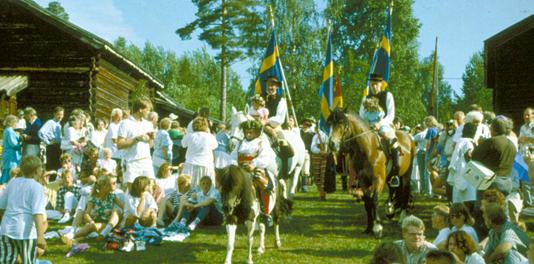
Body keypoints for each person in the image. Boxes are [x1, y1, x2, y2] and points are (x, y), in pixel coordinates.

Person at [0, 156, 47, 264]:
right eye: (41, 168)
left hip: (6, 229)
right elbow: (37, 213)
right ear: (36, 170)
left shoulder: (12, 183)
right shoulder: (37, 187)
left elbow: (1, 206)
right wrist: (40, 236)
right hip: (25, 233)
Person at [231, 119, 278, 225]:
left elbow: (265, 157)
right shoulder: (239, 143)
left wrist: (254, 164)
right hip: (240, 169)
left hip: (256, 168)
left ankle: (266, 213)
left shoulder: (261, 143)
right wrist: (234, 164)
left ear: (256, 132)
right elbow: (233, 156)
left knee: (263, 184)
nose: (248, 133)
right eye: (246, 131)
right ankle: (230, 208)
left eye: (250, 131)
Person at [359, 73, 400, 187]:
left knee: (392, 141)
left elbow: (391, 115)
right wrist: (367, 125)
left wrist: (379, 124)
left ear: (381, 84)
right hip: (368, 127)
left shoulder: (388, 95)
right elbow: (361, 115)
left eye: (376, 84)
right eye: (372, 84)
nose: (374, 87)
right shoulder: (365, 98)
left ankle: (395, 173)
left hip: (384, 125)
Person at [64, 175, 122, 243]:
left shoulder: (113, 196)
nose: (116, 184)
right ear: (105, 186)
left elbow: (124, 208)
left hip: (106, 223)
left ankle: (72, 237)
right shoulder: (94, 198)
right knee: (81, 212)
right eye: (113, 183)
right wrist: (91, 222)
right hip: (95, 221)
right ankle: (72, 232)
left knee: (116, 210)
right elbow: (87, 214)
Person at [471, 118, 517, 196]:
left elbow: (474, 156)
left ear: (493, 129)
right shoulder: (512, 145)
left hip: (491, 182)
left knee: (484, 207)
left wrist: (478, 145)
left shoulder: (492, 141)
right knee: (502, 207)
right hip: (507, 182)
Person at [117, 98, 155, 188]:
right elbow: (119, 145)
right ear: (140, 109)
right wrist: (137, 139)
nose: (149, 112)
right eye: (148, 109)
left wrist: (152, 139)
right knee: (133, 192)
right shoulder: (125, 123)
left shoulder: (148, 124)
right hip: (132, 162)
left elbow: (150, 146)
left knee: (150, 189)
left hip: (146, 161)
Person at [181, 117, 218, 189]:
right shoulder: (210, 137)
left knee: (188, 189)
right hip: (206, 165)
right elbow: (215, 146)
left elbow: (183, 144)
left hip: (191, 164)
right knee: (206, 190)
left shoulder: (190, 136)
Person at [448, 122, 477, 208]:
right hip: (467, 173)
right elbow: (469, 156)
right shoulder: (467, 143)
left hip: (460, 172)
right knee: (467, 199)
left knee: (460, 199)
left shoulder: (460, 142)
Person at [310, 123, 330, 200]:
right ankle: (321, 193)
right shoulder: (315, 136)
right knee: (317, 175)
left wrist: (326, 152)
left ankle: (323, 194)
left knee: (323, 175)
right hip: (317, 157)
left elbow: (328, 146)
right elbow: (312, 148)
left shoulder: (326, 136)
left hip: (325, 157)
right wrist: (319, 151)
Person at [1, 115, 22, 185]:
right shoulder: (10, 131)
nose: (16, 124)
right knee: (9, 172)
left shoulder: (7, 130)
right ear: (12, 122)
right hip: (11, 156)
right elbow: (13, 144)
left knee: (6, 171)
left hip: (8, 154)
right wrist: (21, 145)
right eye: (16, 123)